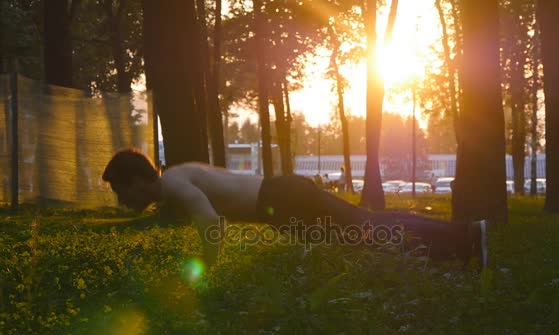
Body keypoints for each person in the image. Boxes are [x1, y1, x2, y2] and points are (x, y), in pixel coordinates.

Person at [102, 148, 488, 269]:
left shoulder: (173, 184)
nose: (123, 201)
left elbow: (209, 222)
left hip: (282, 201)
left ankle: (465, 238)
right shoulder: (177, 177)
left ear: (137, 181)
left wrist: (207, 275)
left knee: (368, 230)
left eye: (121, 191)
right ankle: (459, 243)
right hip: (282, 201)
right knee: (368, 229)